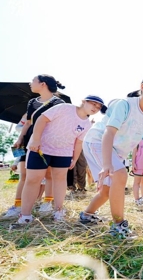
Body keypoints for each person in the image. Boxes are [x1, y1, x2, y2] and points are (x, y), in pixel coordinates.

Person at [80, 73, 143, 239]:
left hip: (115, 151)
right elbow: (108, 132)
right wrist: (107, 164)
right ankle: (118, 226)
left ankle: (86, 215)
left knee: (107, 191)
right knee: (120, 174)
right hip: (97, 142)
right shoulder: (125, 105)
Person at [16, 95, 105, 224]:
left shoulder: (87, 124)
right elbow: (41, 119)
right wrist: (36, 139)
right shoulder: (64, 108)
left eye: (99, 107)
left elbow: (78, 142)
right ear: (83, 101)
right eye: (93, 104)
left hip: (63, 152)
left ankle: (58, 211)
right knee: (33, 179)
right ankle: (25, 215)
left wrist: (74, 159)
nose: (96, 108)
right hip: (41, 148)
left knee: (60, 179)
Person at [4, 75, 66, 218]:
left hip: (49, 143)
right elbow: (28, 122)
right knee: (24, 175)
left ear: (42, 84)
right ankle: (18, 206)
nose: (30, 83)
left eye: (33, 81)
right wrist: (20, 139)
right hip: (29, 142)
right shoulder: (32, 102)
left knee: (49, 174)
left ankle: (47, 203)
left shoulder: (59, 102)